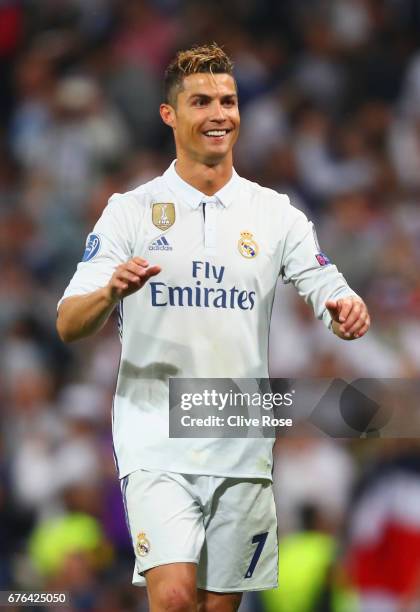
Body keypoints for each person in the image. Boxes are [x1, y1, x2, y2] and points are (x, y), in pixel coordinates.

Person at [57, 43, 370, 612]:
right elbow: (68, 322)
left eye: (227, 100)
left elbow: (327, 284)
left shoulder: (276, 213)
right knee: (174, 599)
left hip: (239, 431)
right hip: (155, 430)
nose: (219, 113)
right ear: (169, 115)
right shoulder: (130, 211)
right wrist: (109, 292)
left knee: (217, 607)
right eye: (200, 101)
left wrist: (345, 307)